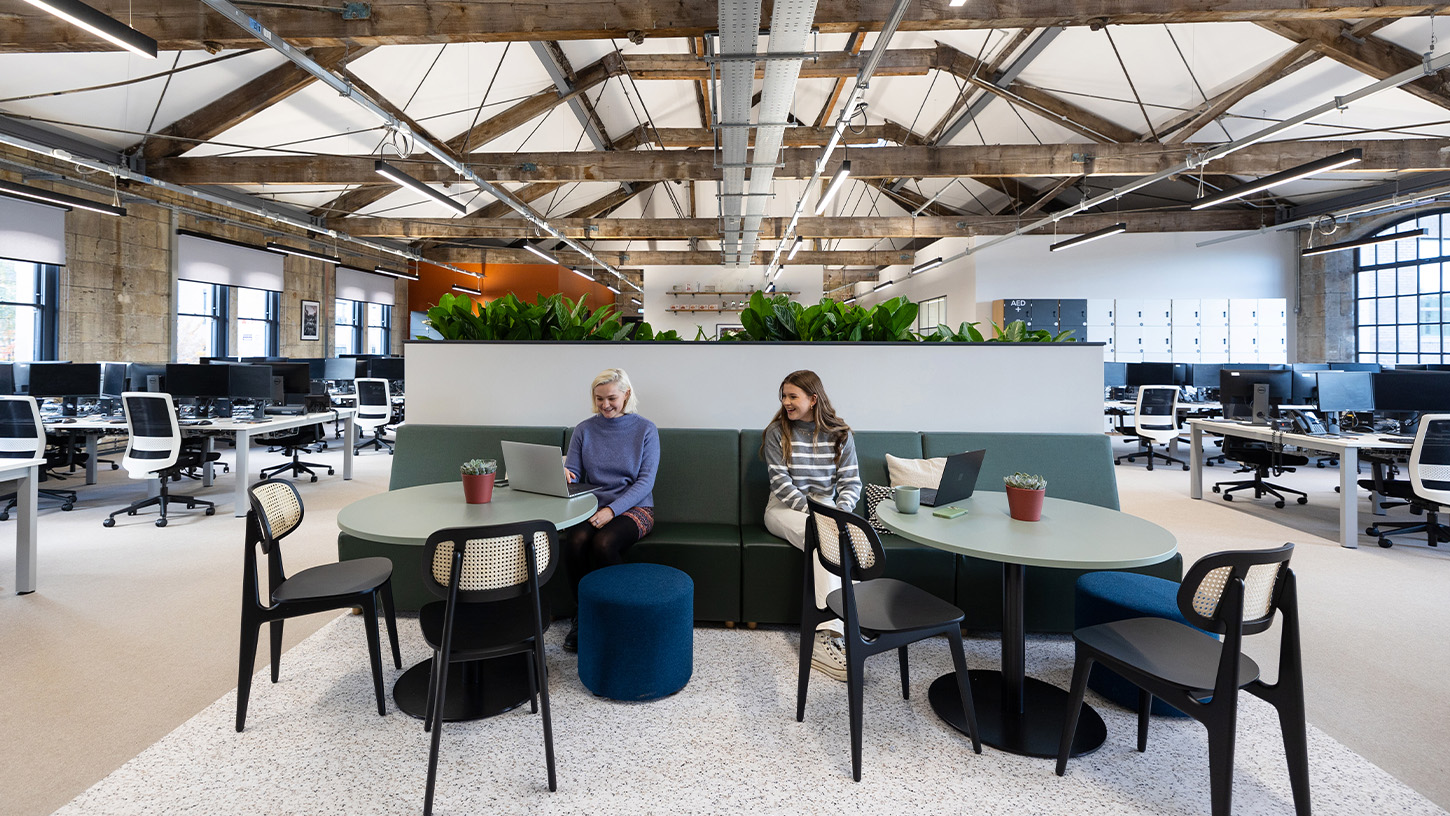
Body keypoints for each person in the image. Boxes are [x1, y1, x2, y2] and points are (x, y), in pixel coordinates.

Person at [761, 370, 861, 682]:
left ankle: (850, 626)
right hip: (784, 508)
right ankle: (826, 637)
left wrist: (840, 514)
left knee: (846, 539)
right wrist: (821, 516)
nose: (786, 402)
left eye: (793, 396)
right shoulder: (778, 433)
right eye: (784, 396)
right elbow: (782, 485)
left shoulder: (841, 433)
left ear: (813, 399)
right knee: (823, 536)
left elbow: (851, 483)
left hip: (829, 510)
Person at [560, 368, 660, 652]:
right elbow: (575, 471)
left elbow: (645, 483)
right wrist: (567, 474)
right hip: (591, 506)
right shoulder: (584, 429)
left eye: (612, 398)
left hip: (636, 508)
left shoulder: (646, 430)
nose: (605, 405)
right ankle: (583, 616)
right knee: (576, 540)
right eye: (599, 398)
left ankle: (624, 613)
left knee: (604, 543)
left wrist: (612, 511)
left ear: (626, 394)